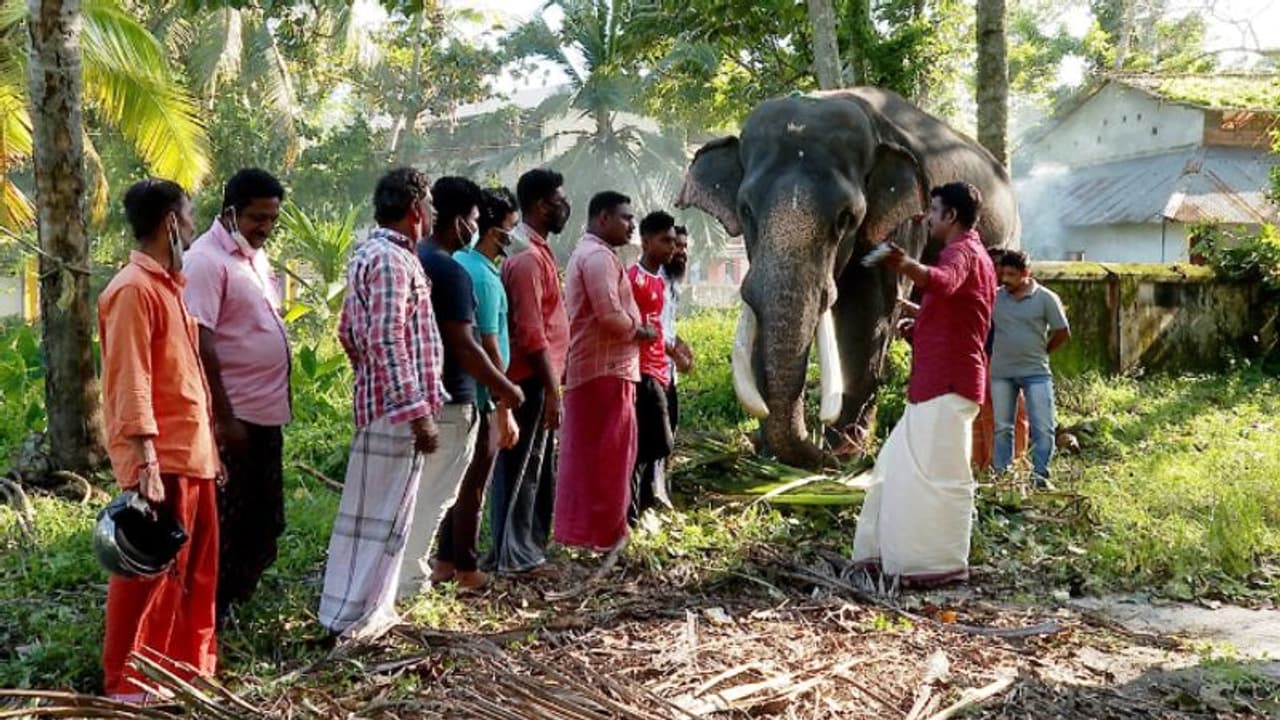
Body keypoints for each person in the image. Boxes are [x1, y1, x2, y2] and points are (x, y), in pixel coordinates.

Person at [99, 179, 220, 703]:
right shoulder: (133, 289)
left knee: (194, 573)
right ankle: (130, 684)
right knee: (147, 575)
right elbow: (132, 379)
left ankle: (184, 673)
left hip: (192, 457)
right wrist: (146, 460)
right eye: (189, 218)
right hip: (161, 459)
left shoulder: (170, 287)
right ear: (172, 221)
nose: (193, 229)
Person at [319, 167, 443, 642]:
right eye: (428, 206)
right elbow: (386, 338)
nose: (431, 214)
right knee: (380, 522)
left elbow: (351, 334)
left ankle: (361, 612)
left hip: (383, 406)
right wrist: (416, 411)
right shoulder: (392, 261)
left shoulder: (369, 254)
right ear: (416, 209)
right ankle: (356, 618)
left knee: (371, 518)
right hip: (396, 415)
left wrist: (373, 381)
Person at [852, 182, 997, 588]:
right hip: (942, 381)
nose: (928, 218)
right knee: (901, 469)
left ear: (950, 216)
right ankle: (899, 558)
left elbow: (946, 283)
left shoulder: (962, 252)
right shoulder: (976, 254)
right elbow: (961, 311)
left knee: (936, 478)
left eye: (934, 211)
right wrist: (919, 320)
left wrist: (905, 265)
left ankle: (934, 565)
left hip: (948, 383)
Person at [399, 177, 523, 599]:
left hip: (428, 396)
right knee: (447, 494)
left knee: (433, 493)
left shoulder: (420, 259)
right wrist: (507, 392)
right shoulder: (457, 271)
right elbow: (474, 346)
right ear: (462, 221)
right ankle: (436, 575)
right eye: (473, 219)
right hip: (455, 396)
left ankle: (437, 567)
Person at [182, 168, 290, 626]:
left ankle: (233, 596)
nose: (264, 228)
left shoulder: (254, 259)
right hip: (235, 418)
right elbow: (201, 341)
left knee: (267, 521)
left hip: (265, 414)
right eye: (255, 218)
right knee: (229, 521)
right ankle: (213, 604)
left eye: (271, 219)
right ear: (230, 213)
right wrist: (223, 418)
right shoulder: (205, 261)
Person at [432, 187, 523, 590]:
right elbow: (488, 343)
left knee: (455, 480)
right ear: (489, 229)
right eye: (509, 230)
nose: (511, 239)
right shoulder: (481, 276)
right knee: (473, 483)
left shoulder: (468, 265)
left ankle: (446, 560)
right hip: (482, 393)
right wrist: (504, 400)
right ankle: (465, 566)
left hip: (469, 390)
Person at [555, 191, 656, 554]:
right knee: (611, 455)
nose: (631, 225)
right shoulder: (598, 257)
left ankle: (579, 533)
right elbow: (610, 317)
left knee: (585, 453)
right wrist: (641, 330)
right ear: (602, 218)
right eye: (625, 218)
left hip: (595, 369)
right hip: (607, 371)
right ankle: (607, 535)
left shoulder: (592, 254)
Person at [489, 168, 571, 574]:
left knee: (536, 466)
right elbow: (531, 333)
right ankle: (515, 553)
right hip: (529, 381)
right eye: (559, 201)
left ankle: (527, 547)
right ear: (540, 205)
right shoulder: (525, 259)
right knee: (522, 469)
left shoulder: (538, 251)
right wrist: (553, 390)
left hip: (541, 380)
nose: (564, 208)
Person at [989, 250, 1070, 486]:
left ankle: (1040, 475)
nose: (1005, 279)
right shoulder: (995, 297)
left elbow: (1062, 331)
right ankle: (1002, 478)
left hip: (1036, 372)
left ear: (1027, 273)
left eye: (1012, 275)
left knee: (1043, 427)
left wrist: (1044, 350)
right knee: (1002, 428)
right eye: (1003, 273)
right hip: (1002, 373)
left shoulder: (1045, 298)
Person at [626, 211, 678, 524]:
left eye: (673, 241)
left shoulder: (660, 281)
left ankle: (640, 508)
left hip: (661, 371)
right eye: (665, 240)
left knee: (653, 445)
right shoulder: (633, 279)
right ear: (646, 241)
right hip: (641, 372)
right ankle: (630, 513)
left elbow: (659, 329)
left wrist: (675, 352)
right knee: (654, 443)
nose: (671, 247)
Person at [971, 247, 1028, 471]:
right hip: (987, 359)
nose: (996, 272)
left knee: (1015, 413)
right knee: (984, 413)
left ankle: (1015, 463)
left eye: (999, 268)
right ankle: (985, 465)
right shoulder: (984, 296)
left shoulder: (1022, 297)